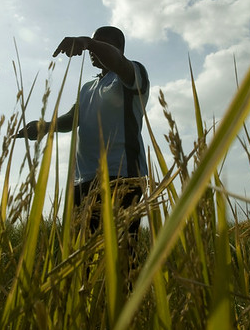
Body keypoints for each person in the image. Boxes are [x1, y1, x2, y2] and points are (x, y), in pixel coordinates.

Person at [15, 26, 149, 275]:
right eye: (93, 42)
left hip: (122, 175)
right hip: (83, 180)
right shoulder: (88, 87)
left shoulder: (132, 74)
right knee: (80, 255)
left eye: (102, 43)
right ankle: (88, 312)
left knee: (121, 256)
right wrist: (45, 126)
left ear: (116, 47)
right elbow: (73, 117)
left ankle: (124, 310)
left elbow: (117, 61)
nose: (93, 49)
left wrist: (87, 42)